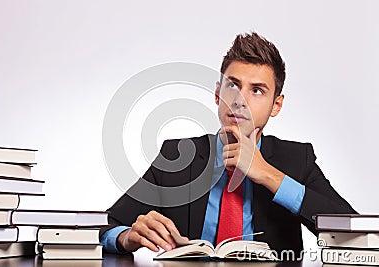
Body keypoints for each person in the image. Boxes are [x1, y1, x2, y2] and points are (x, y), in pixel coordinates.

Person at [100, 32, 356, 256]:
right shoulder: (176, 155)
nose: (240, 100)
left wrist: (268, 175)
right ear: (217, 93)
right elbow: (105, 226)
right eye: (232, 85)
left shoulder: (296, 159)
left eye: (257, 90)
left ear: (276, 105)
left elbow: (352, 231)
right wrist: (126, 238)